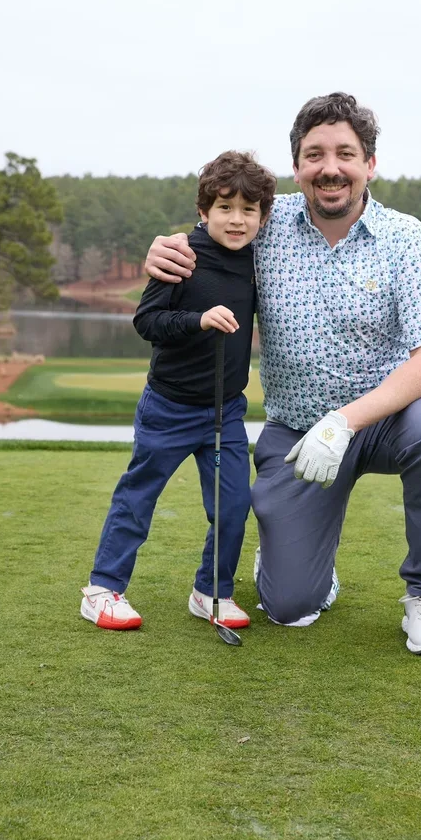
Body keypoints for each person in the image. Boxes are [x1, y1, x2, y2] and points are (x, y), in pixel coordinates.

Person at [144, 93, 421, 655]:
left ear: (370, 164)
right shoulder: (266, 224)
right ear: (296, 167)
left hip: (391, 419)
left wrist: (344, 422)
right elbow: (210, 232)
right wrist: (163, 251)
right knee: (289, 607)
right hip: (298, 430)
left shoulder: (406, 237)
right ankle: (304, 566)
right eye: (315, 155)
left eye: (346, 154)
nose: (330, 168)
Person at [80, 151, 276, 632]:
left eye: (248, 210)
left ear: (262, 216)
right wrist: (198, 320)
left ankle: (211, 592)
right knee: (138, 497)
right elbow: (147, 321)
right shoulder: (182, 255)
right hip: (168, 408)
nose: (237, 220)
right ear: (204, 210)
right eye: (225, 207)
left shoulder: (258, 259)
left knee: (233, 505)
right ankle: (102, 590)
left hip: (225, 412)